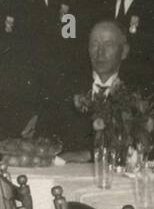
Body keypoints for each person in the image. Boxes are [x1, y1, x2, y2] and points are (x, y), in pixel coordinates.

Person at [43, 20, 138, 159]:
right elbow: (45, 136)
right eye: (94, 44)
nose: (100, 52)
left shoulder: (138, 95)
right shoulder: (65, 88)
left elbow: (146, 144)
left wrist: (89, 155)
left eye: (108, 45)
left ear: (124, 51)